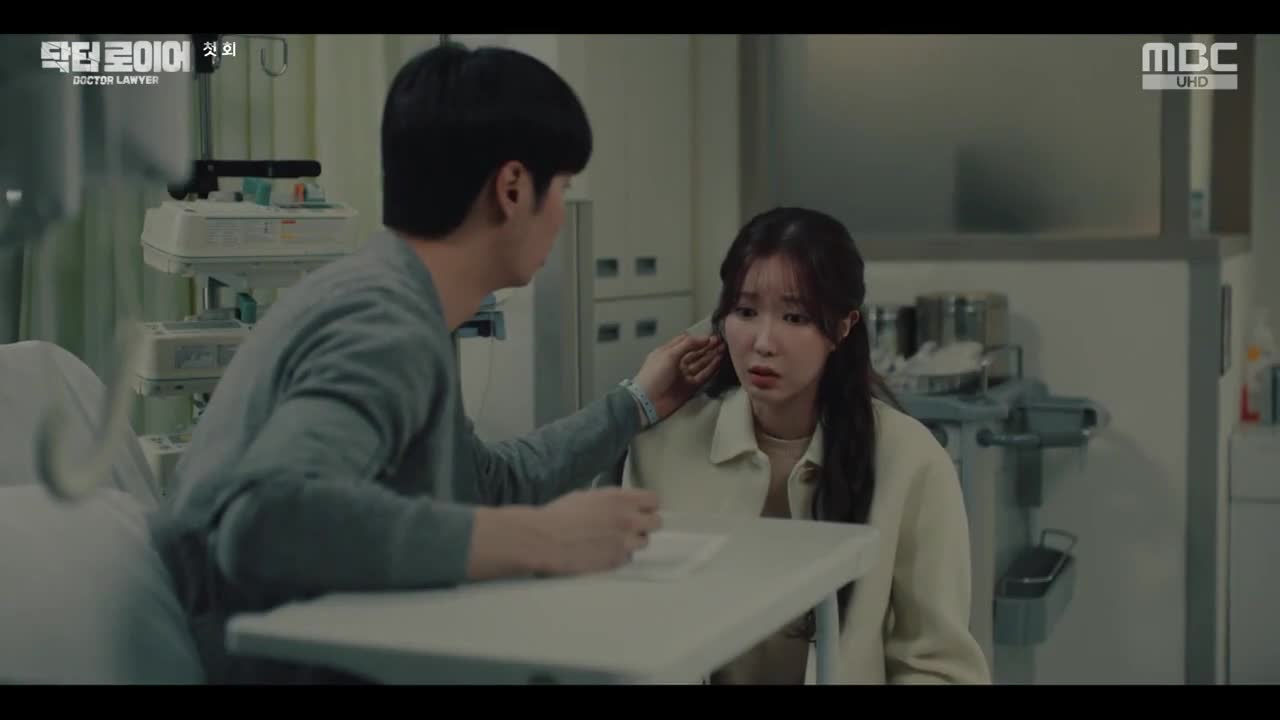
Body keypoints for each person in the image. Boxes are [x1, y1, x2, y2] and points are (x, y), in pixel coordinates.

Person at [151, 42, 723, 684]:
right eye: (562, 188)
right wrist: (544, 539)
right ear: (512, 189)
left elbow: (487, 483)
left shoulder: (389, 298)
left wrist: (637, 403)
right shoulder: (385, 325)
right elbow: (266, 522)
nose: (563, 216)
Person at [618, 206, 991, 684]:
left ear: (842, 327)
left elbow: (939, 666)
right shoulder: (664, 446)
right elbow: (637, 631)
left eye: (794, 316)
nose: (763, 342)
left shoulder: (911, 459)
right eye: (745, 311)